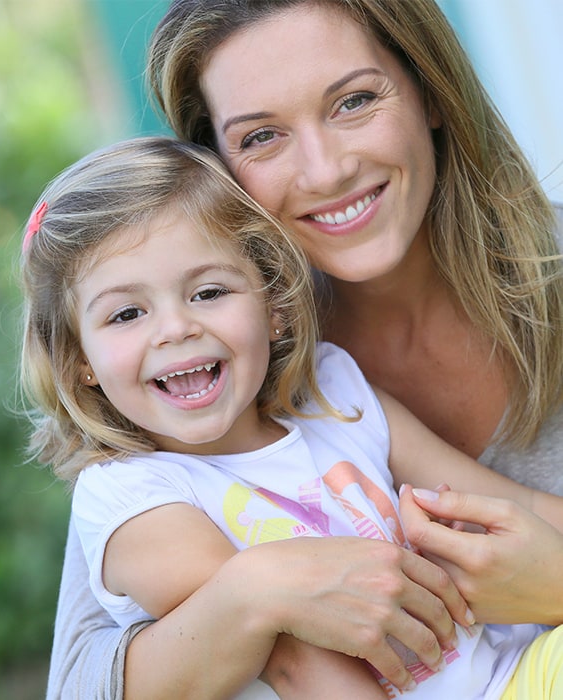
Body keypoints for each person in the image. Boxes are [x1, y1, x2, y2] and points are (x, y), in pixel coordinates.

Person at [46, 0, 563, 697]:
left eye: (353, 101)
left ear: (430, 91)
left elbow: (518, 512)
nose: (324, 172)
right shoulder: (191, 415)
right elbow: (81, 684)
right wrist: (259, 588)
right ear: (221, 171)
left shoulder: (328, 387)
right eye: (261, 137)